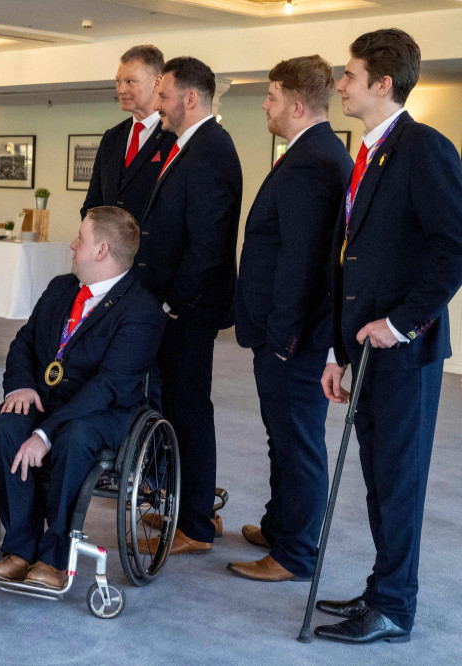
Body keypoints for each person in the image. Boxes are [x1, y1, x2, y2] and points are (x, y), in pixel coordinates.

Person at [314, 28, 462, 645]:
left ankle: (396, 606)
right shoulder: (368, 152)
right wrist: (338, 350)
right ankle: (383, 588)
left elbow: (452, 249)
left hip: (404, 352)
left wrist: (400, 324)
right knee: (378, 478)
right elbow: (351, 260)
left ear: (382, 84)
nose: (340, 85)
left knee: (398, 482)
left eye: (348, 76)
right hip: (363, 351)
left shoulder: (423, 148)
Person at [0, 207, 165, 590]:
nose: (73, 246)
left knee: (74, 439)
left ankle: (55, 555)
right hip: (48, 398)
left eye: (81, 239)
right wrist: (21, 386)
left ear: (102, 251)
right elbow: (24, 342)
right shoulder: (61, 288)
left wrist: (44, 434)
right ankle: (20, 547)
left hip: (105, 411)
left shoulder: (141, 311)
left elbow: (108, 386)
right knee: (7, 428)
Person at [228, 56, 353, 582]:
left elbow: (301, 259)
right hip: (293, 334)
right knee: (283, 437)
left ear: (297, 105)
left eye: (272, 96)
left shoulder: (311, 160)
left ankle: (295, 554)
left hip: (294, 339)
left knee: (298, 442)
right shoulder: (316, 151)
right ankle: (280, 526)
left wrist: (282, 337)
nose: (265, 104)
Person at [135, 56, 242, 557]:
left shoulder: (212, 150)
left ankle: (196, 525)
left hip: (189, 311)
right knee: (179, 410)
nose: (157, 105)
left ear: (190, 99)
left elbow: (208, 245)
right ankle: (189, 508)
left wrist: (174, 303)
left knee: (191, 414)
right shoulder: (189, 145)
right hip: (177, 307)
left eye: (163, 96)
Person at [81, 44, 177, 221]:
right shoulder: (112, 137)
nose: (121, 89)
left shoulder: (175, 136)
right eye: (118, 81)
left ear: (157, 82)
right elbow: (93, 203)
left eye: (129, 82)